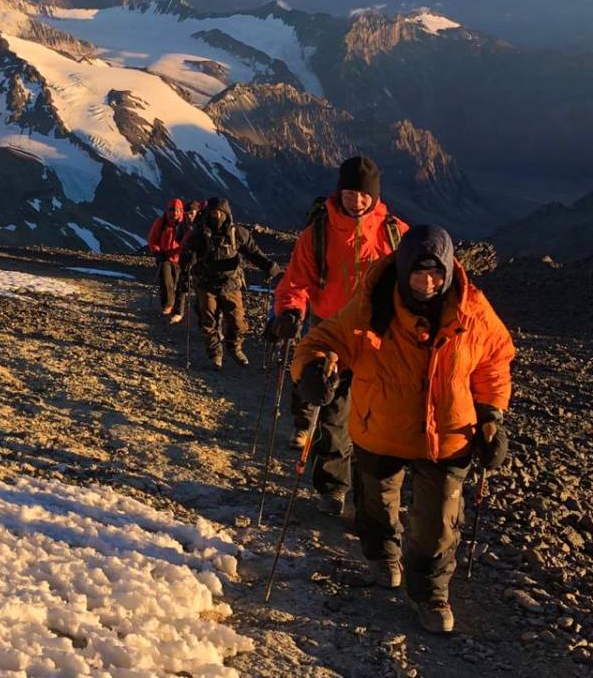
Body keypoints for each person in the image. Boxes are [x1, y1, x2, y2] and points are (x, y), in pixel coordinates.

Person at [291, 225, 513, 633]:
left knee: (439, 521)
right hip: (382, 428)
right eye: (418, 273)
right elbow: (325, 339)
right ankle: (382, 556)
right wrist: (311, 370)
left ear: (447, 271)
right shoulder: (372, 304)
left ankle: (429, 593)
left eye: (436, 275)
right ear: (405, 269)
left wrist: (491, 417)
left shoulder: (473, 310)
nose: (428, 283)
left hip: (448, 436)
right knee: (376, 502)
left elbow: (494, 363)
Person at [265, 156, 409, 515]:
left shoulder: (395, 233)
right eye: (350, 193)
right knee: (333, 413)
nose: (356, 201)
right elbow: (295, 281)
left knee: (376, 417)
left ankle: (371, 492)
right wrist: (291, 310)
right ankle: (333, 487)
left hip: (379, 338)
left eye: (363, 195)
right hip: (332, 335)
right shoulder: (318, 234)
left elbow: (416, 281)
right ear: (339, 192)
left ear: (374, 196)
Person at [181, 197, 281, 369]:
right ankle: (215, 354)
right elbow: (186, 254)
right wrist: (187, 261)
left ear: (227, 214)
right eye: (214, 212)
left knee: (238, 323)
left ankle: (234, 347)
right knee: (208, 321)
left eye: (220, 212)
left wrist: (269, 267)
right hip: (206, 283)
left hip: (230, 284)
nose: (217, 215)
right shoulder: (199, 234)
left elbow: (253, 252)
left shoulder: (237, 233)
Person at [147, 198, 191, 323]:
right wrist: (157, 252)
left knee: (177, 283)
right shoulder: (161, 223)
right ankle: (168, 305)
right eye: (172, 210)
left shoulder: (185, 225)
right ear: (168, 210)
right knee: (166, 281)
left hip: (179, 259)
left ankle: (176, 310)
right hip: (164, 257)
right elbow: (152, 239)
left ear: (181, 211)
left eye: (177, 210)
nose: (174, 213)